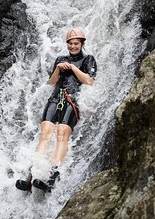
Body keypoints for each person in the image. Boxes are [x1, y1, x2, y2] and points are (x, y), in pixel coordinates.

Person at [16, 28, 97, 192]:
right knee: (45, 134)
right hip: (55, 98)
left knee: (61, 133)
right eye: (70, 44)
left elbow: (89, 81)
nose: (73, 46)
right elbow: (51, 82)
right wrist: (58, 69)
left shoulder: (88, 59)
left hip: (72, 101)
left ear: (82, 44)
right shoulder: (60, 59)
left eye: (76, 43)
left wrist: (73, 68)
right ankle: (30, 175)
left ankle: (52, 176)